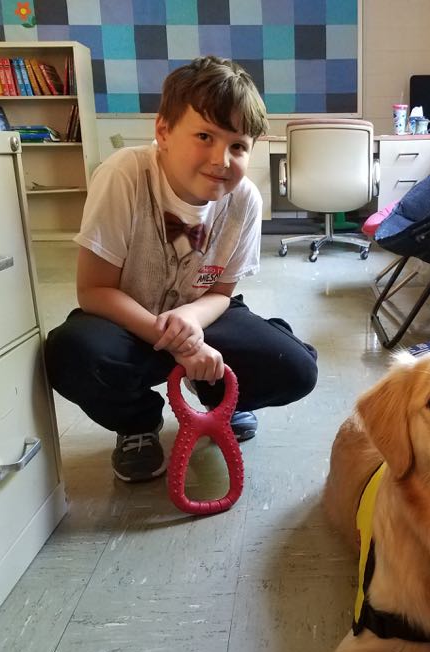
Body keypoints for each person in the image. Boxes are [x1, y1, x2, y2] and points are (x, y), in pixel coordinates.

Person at [44, 56, 318, 483]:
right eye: (204, 136)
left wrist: (189, 323)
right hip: (126, 323)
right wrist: (178, 344)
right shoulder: (124, 175)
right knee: (70, 353)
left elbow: (220, 294)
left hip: (201, 313)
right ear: (164, 132)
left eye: (238, 146)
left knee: (297, 367)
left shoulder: (244, 199)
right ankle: (137, 423)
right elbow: (94, 290)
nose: (221, 159)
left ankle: (218, 394)